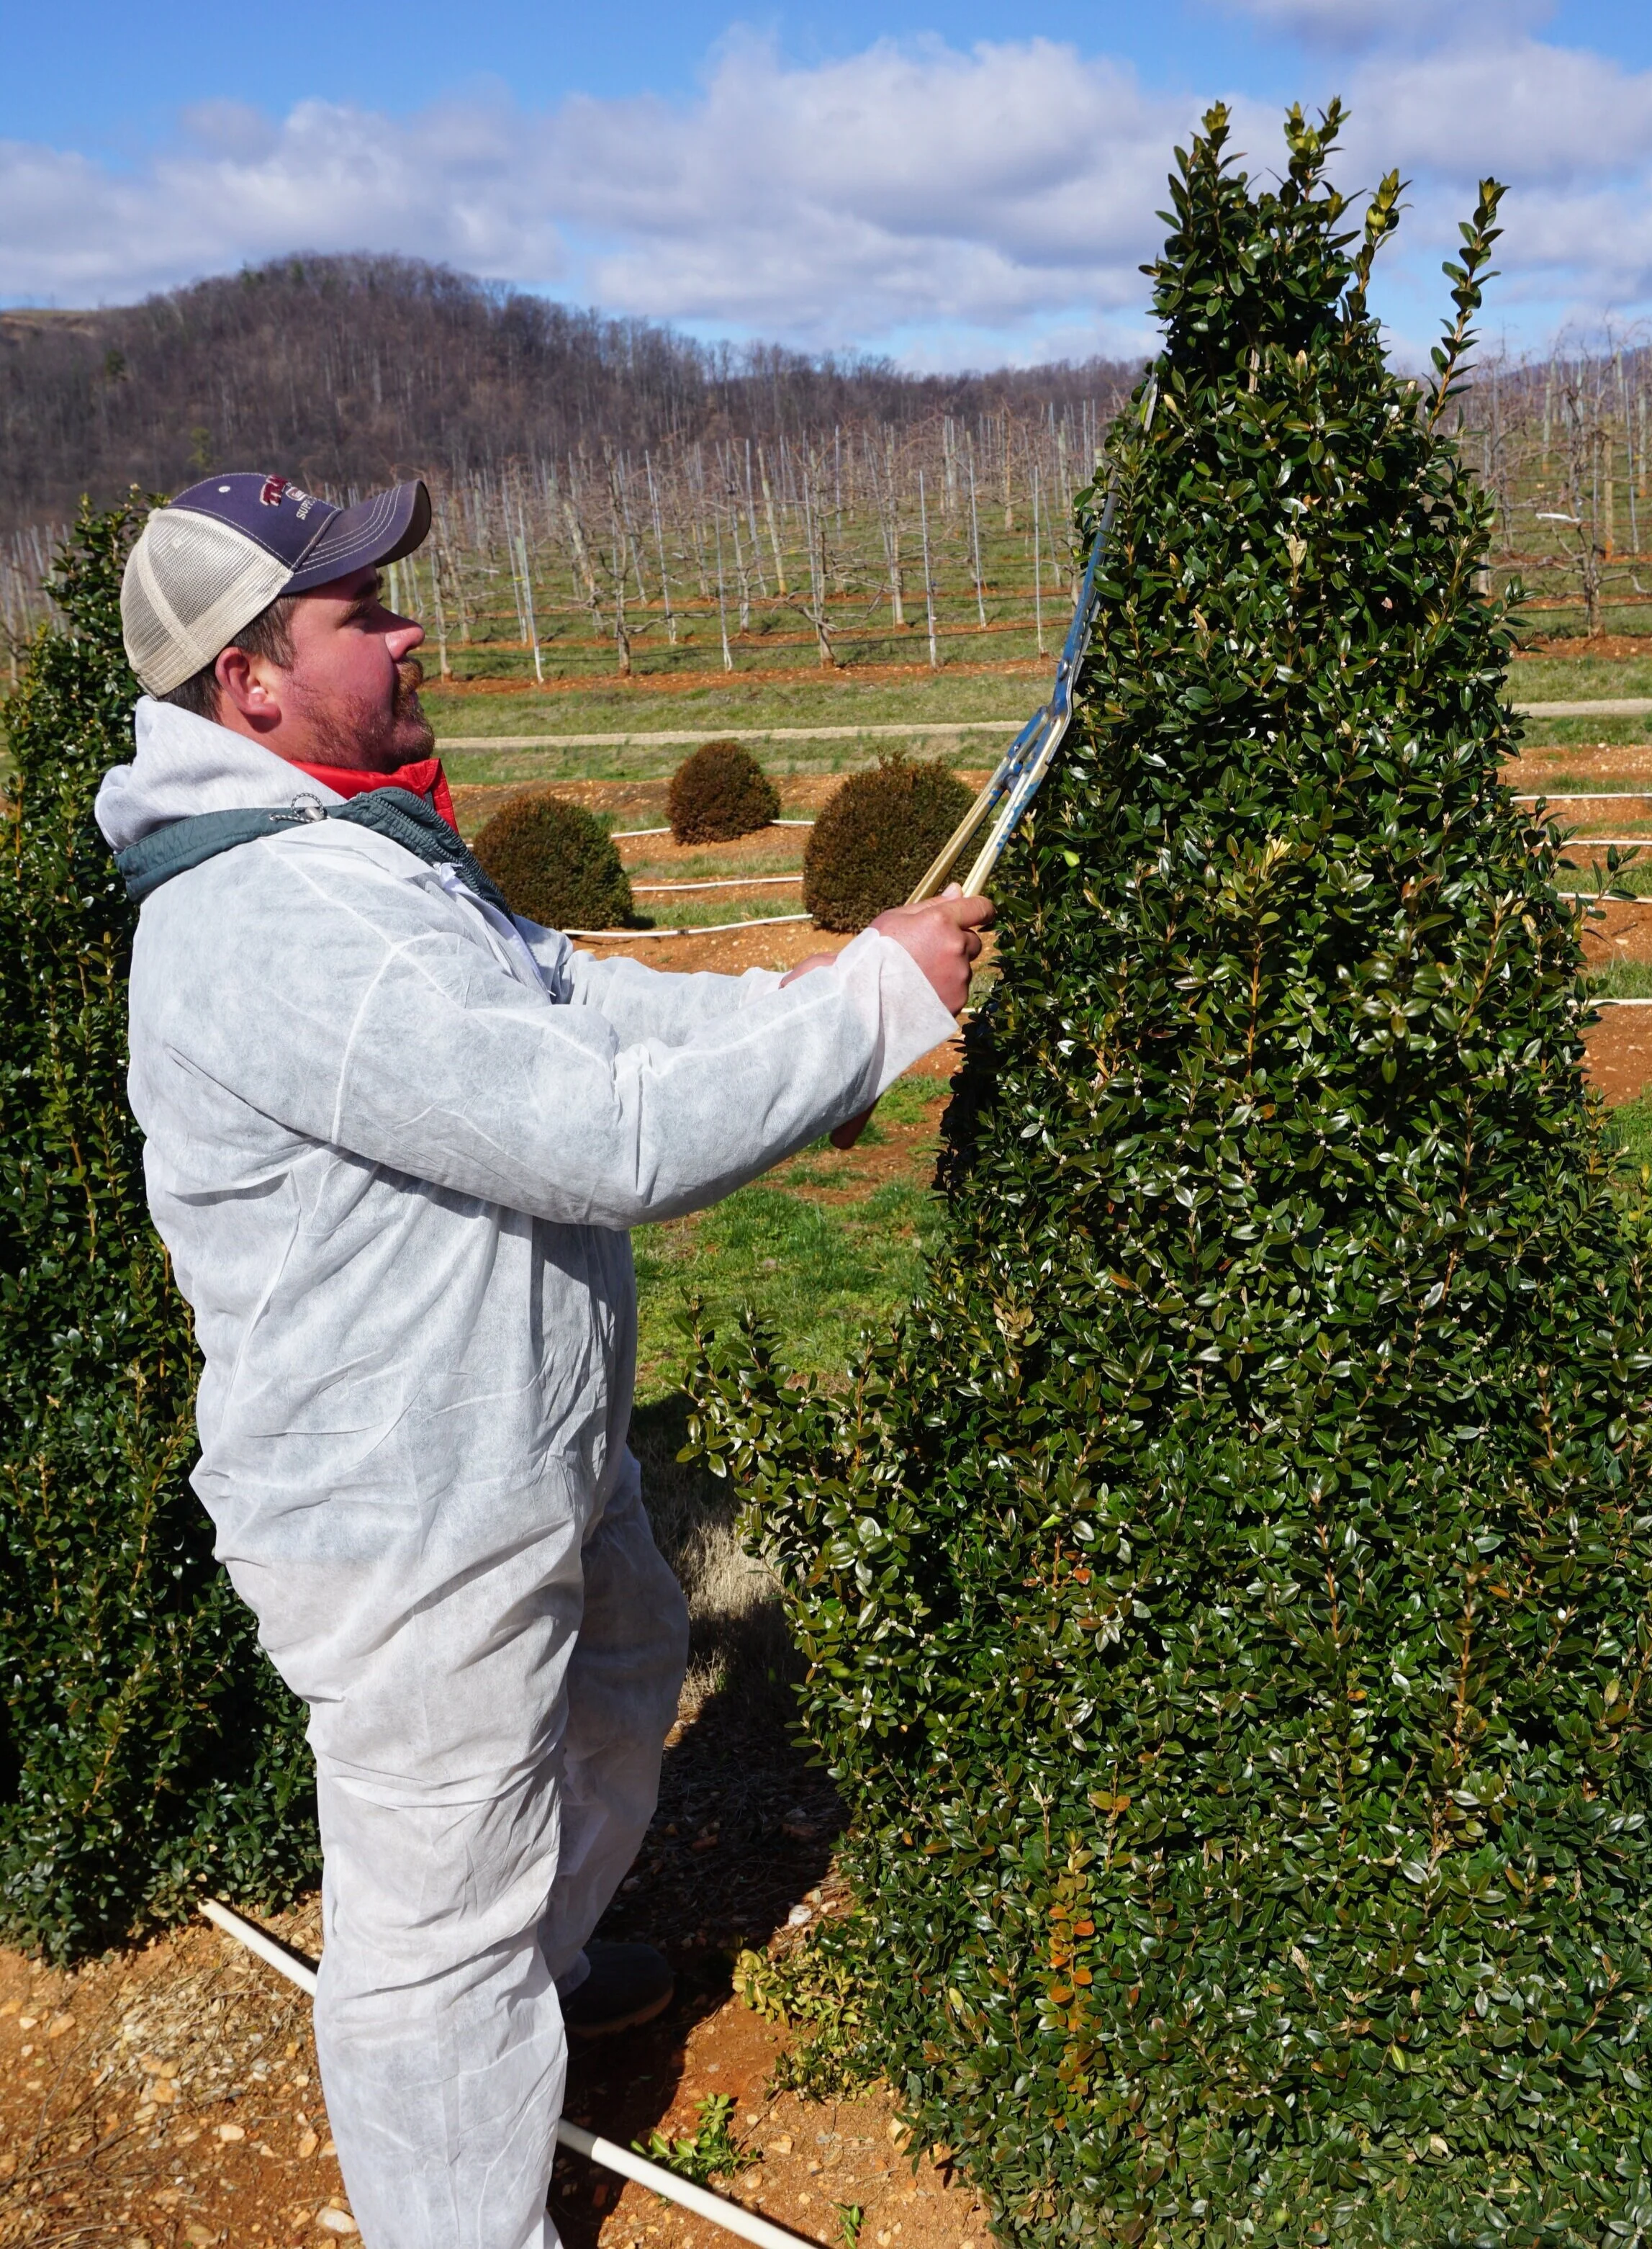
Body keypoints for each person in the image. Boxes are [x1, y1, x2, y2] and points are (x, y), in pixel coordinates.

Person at [95, 472, 992, 2249]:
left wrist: (825, 995)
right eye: (361, 609)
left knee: (623, 1668)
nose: (410, 624)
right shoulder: (281, 921)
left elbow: (572, 1000)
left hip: (515, 1457)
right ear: (246, 684)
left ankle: (544, 1959)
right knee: (428, 1932)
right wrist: (877, 1011)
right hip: (405, 1521)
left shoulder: (358, 849)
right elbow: (597, 1131)